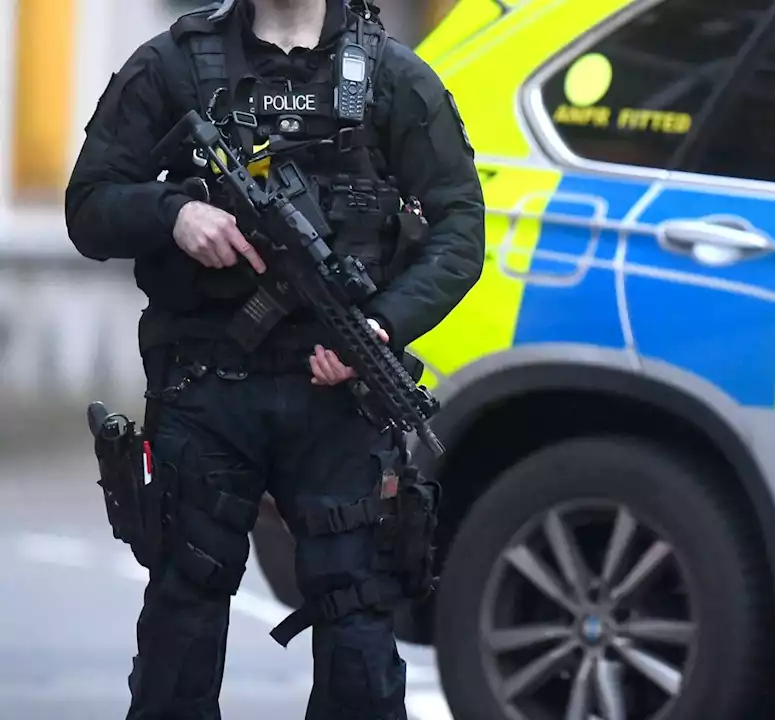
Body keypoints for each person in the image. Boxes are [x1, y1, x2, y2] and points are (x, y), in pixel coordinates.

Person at [64, 0, 485, 717]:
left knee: (358, 637)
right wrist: (175, 214)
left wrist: (380, 329)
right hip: (206, 391)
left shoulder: (389, 77)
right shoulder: (171, 63)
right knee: (181, 625)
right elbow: (89, 205)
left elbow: (460, 229)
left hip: (339, 400)